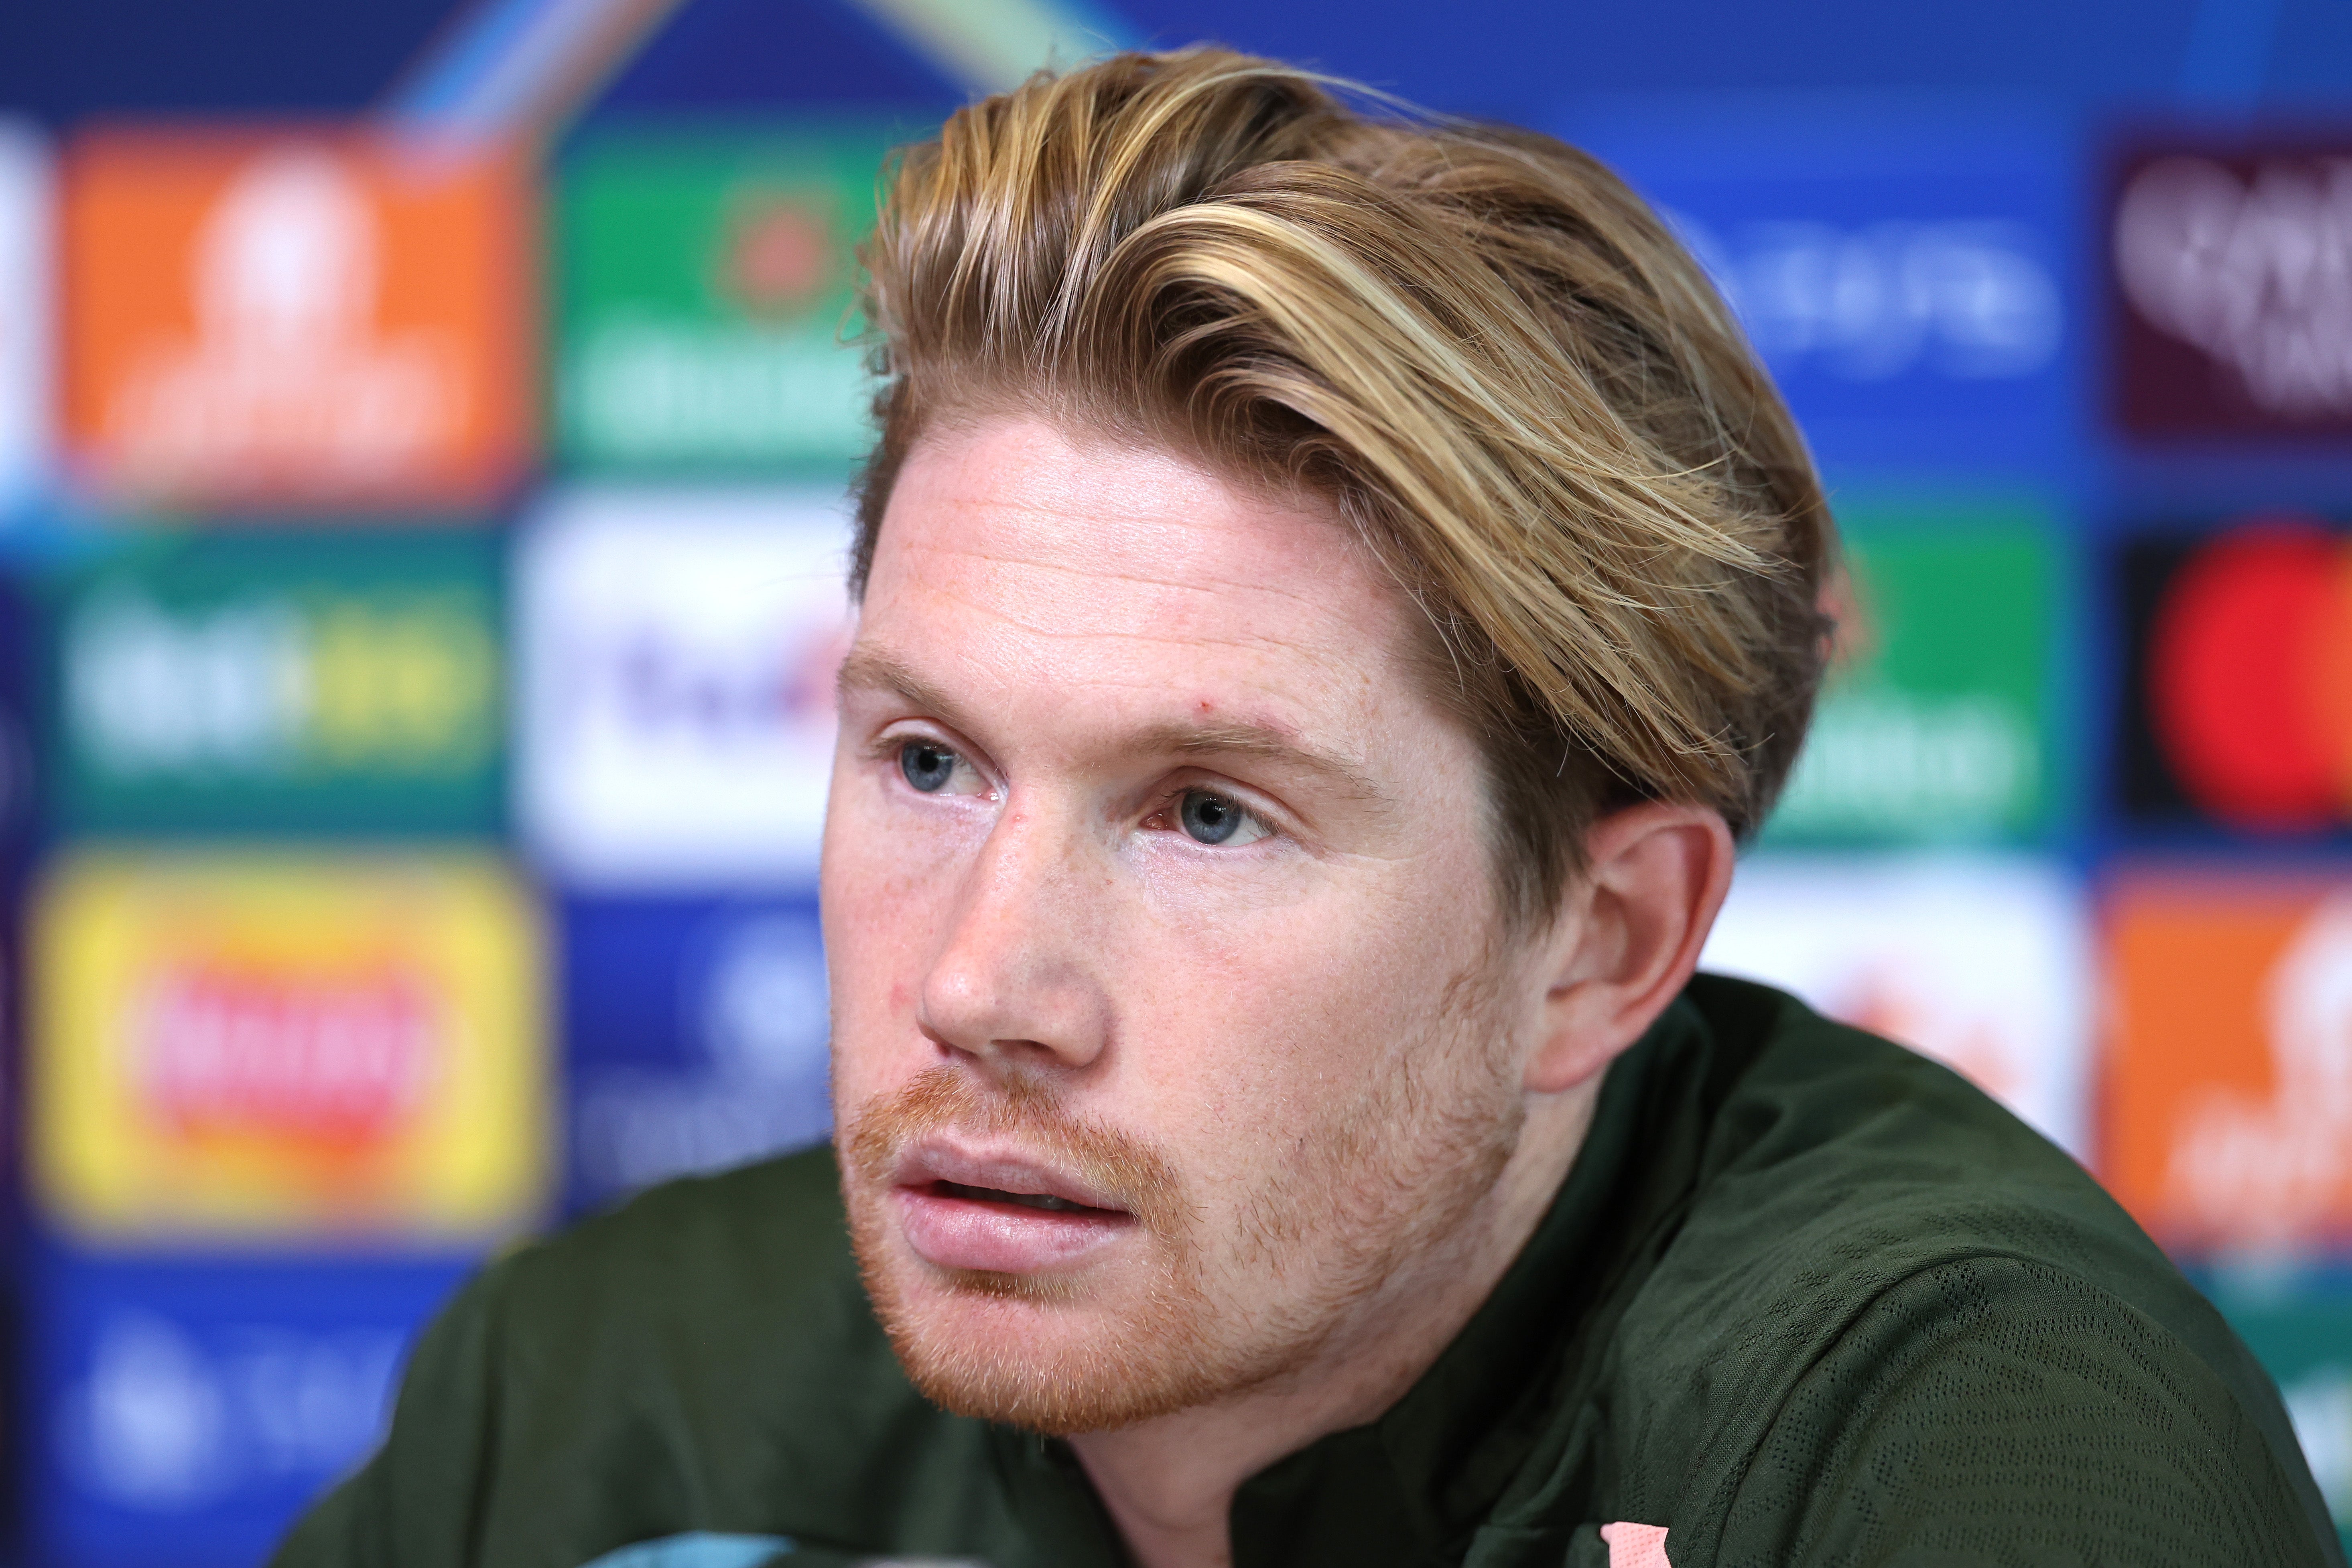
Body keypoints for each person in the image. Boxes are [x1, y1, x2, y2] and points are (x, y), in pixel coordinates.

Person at [273, 48, 2345, 1568]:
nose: (984, 983)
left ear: (1601, 945)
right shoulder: (597, 1414)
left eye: (1204, 815)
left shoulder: (1964, 1443)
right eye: (929, 761)